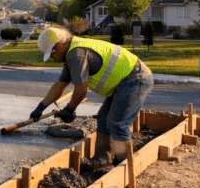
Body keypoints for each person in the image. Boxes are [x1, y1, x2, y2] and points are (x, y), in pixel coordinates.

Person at [31, 26, 153, 171]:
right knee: (103, 118)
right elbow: (60, 85)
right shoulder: (72, 53)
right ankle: (102, 161)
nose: (53, 58)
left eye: (52, 54)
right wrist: (40, 107)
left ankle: (125, 167)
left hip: (135, 78)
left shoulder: (76, 55)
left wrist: (70, 109)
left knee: (117, 123)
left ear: (59, 46)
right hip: (123, 81)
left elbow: (81, 91)